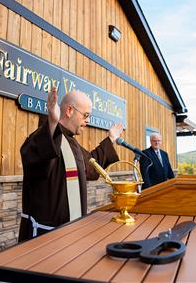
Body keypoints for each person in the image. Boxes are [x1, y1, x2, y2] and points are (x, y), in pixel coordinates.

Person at [18, 87, 123, 242]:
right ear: (69, 110)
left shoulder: (72, 143)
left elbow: (92, 165)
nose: (88, 120)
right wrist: (52, 123)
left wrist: (111, 139)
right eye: (86, 115)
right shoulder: (43, 138)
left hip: (71, 232)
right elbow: (39, 161)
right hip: (45, 236)